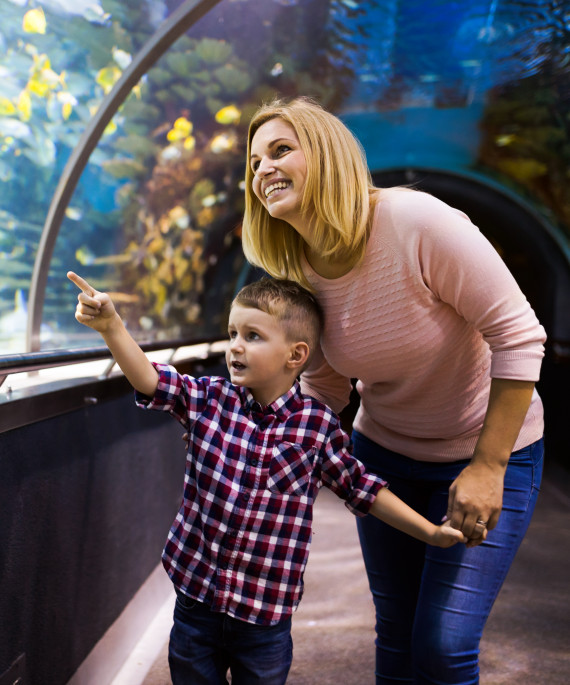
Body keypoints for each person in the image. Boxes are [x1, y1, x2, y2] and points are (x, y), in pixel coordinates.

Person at [241, 96, 546, 684]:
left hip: (487, 451)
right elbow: (326, 386)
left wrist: (488, 466)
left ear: (326, 155)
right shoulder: (296, 270)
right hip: (383, 456)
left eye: (281, 150)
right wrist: (266, 452)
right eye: (254, 163)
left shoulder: (416, 223)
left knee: (444, 643)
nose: (263, 171)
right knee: (399, 631)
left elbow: (518, 336)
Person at [67, 271, 465, 685]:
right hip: (196, 598)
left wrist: (429, 533)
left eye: (252, 335)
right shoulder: (210, 399)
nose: (235, 345)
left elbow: (361, 488)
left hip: (264, 614)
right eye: (232, 332)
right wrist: (112, 326)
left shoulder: (317, 426)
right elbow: (151, 378)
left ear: (295, 356)